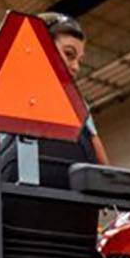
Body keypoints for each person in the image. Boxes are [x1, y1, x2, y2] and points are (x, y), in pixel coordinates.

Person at [40, 11, 108, 165]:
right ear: (43, 47)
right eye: (69, 54)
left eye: (80, 60)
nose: (76, 67)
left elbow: (101, 162)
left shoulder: (77, 104)